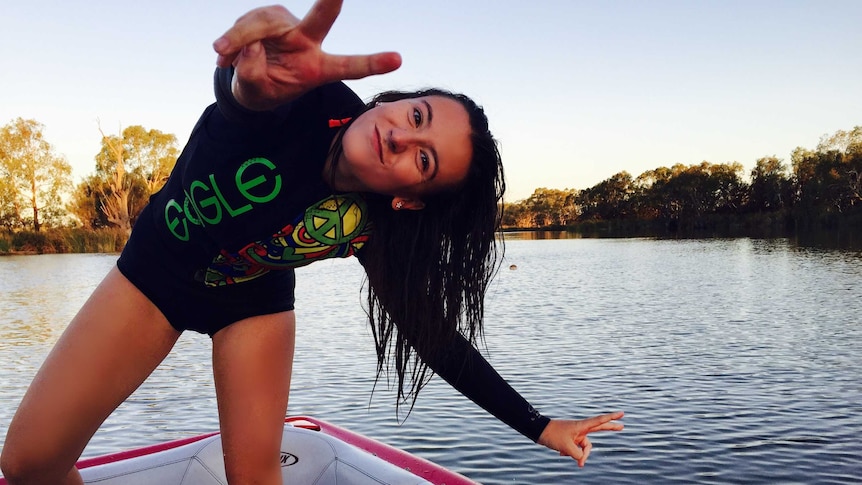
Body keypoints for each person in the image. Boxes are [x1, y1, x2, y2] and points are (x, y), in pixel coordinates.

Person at [0, 2, 624, 484]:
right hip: (153, 275)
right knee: (28, 463)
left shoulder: (372, 222)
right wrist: (249, 80)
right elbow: (241, 104)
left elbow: (430, 335)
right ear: (399, 101)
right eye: (417, 117)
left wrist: (539, 427)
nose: (402, 141)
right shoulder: (302, 93)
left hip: (254, 304)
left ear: (409, 198)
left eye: (425, 163)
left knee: (256, 475)